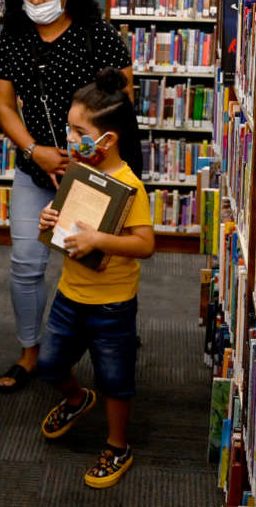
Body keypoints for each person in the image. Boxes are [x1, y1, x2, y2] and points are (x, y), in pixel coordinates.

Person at [0, 0, 132, 393]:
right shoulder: (12, 36)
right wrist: (36, 151)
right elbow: (3, 104)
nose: (36, 1)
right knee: (26, 263)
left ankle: (111, 337)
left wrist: (85, 158)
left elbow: (120, 105)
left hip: (94, 173)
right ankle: (30, 351)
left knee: (99, 261)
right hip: (36, 169)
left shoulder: (99, 34)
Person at [36, 68, 154, 488]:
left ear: (108, 139)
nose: (69, 139)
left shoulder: (130, 187)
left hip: (112, 303)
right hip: (70, 294)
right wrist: (48, 218)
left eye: (77, 130)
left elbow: (145, 243)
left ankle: (118, 444)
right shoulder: (77, 172)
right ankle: (74, 398)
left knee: (115, 379)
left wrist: (101, 238)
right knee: (49, 364)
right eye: (69, 128)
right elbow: (58, 227)